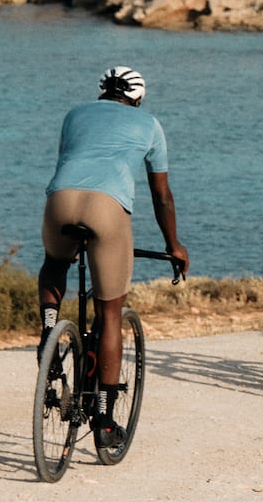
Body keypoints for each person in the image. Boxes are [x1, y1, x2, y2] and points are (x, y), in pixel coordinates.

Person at [39, 66, 188, 448]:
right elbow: (162, 196)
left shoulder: (75, 114)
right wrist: (174, 244)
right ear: (137, 98)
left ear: (102, 91)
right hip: (108, 208)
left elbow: (73, 160)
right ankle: (104, 420)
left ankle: (49, 332)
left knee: (56, 263)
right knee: (109, 315)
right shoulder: (150, 124)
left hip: (60, 200)